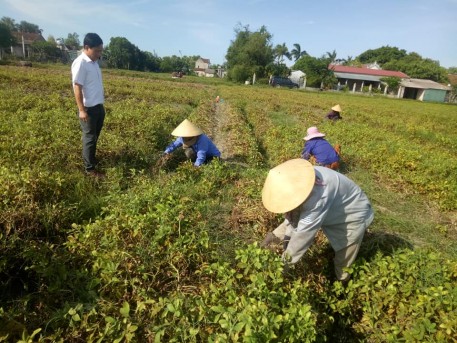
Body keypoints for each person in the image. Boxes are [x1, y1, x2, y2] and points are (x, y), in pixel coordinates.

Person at [261, 159, 374, 282]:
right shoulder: (301, 177)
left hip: (352, 214)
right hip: (333, 203)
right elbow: (292, 217)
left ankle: (341, 285)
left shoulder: (318, 198)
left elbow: (302, 237)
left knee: (344, 257)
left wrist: (283, 267)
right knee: (289, 224)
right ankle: (269, 242)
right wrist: (282, 237)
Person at [71, 33, 105, 177]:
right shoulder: (81, 63)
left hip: (98, 107)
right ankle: (90, 170)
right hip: (88, 109)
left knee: (94, 137)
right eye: (97, 50)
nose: (99, 54)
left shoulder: (94, 62)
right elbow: (77, 86)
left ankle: (90, 159)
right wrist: (81, 110)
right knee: (90, 138)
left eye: (101, 50)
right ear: (86, 47)